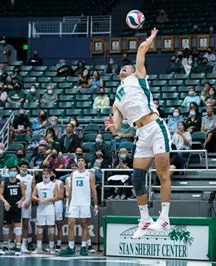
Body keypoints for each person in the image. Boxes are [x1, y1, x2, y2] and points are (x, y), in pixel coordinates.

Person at [105, 28, 172, 239]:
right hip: (141, 133)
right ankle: (144, 219)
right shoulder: (117, 95)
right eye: (122, 68)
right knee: (137, 178)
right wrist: (113, 127)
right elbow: (117, 119)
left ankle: (164, 219)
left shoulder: (139, 77)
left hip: (156, 127)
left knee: (162, 174)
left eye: (127, 67)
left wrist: (150, 39)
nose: (124, 68)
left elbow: (141, 50)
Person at [58, 157, 98, 256]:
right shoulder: (73, 174)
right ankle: (71, 247)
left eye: (82, 161)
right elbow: (71, 190)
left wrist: (96, 204)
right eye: (79, 161)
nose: (80, 163)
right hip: (73, 203)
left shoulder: (90, 175)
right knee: (71, 224)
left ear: (85, 164)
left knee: (84, 225)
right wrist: (68, 203)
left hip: (85, 203)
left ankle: (83, 247)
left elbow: (93, 190)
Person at [0, 165, 25, 256]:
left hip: (17, 207)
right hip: (8, 207)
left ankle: (18, 247)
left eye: (14, 170)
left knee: (17, 228)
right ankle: (5, 246)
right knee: (6, 228)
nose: (13, 172)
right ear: (9, 172)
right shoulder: (4, 182)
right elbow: (0, 195)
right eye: (11, 170)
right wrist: (5, 202)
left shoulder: (20, 182)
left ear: (17, 172)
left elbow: (23, 195)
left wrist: (21, 201)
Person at [31, 167, 58, 254]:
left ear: (50, 175)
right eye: (44, 174)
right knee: (39, 229)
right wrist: (39, 199)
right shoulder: (38, 185)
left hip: (50, 208)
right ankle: (39, 248)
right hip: (40, 209)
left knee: (51, 229)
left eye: (47, 174)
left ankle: (51, 248)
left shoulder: (53, 185)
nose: (45, 175)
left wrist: (48, 199)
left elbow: (57, 196)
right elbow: (33, 196)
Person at [16, 162, 35, 254]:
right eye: (22, 166)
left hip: (27, 203)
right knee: (16, 224)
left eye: (26, 167)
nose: (24, 168)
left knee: (26, 224)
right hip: (17, 203)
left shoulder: (31, 178)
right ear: (19, 167)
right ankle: (17, 244)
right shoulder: (16, 177)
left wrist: (29, 200)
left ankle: (24, 244)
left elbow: (34, 190)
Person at [52, 171, 65, 251]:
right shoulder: (45, 183)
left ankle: (59, 244)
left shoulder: (59, 182)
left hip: (58, 204)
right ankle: (51, 244)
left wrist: (52, 198)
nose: (50, 175)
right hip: (49, 204)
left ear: (55, 175)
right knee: (51, 226)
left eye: (51, 173)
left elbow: (61, 196)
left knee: (59, 225)